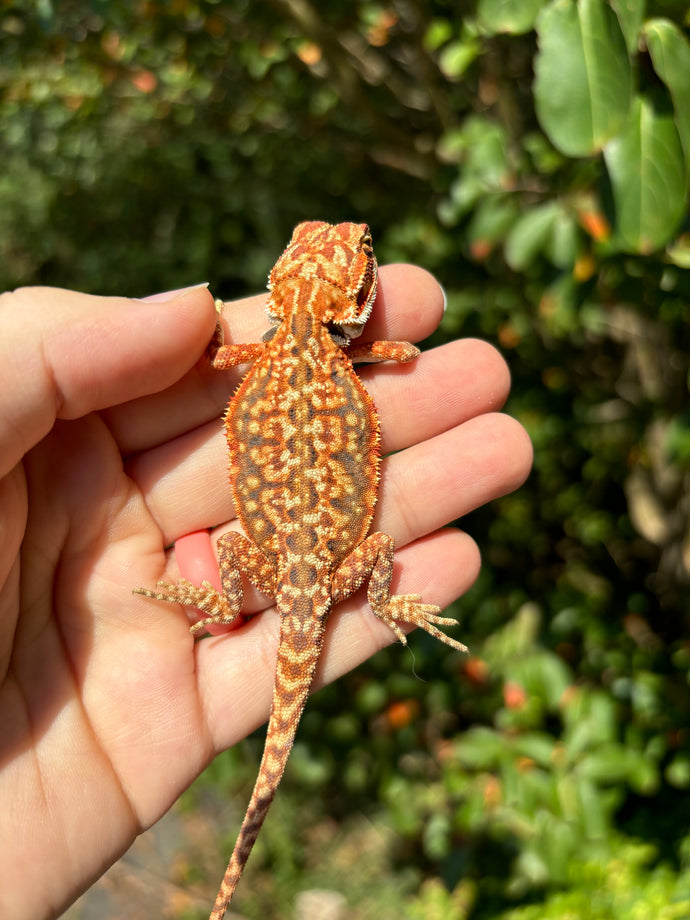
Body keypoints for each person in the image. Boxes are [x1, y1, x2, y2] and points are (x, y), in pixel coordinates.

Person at [0, 266, 532, 919]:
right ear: (352, 304)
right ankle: (380, 606)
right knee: (352, 554)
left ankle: (228, 607)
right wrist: (365, 352)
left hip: (288, 563)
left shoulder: (261, 352)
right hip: (328, 561)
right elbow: (407, 353)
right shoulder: (346, 354)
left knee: (233, 547)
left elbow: (222, 354)